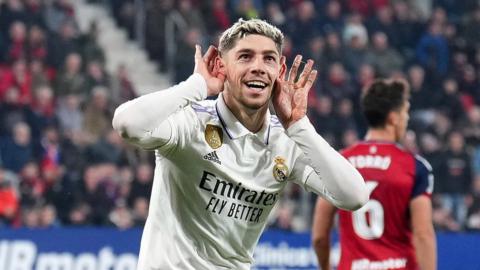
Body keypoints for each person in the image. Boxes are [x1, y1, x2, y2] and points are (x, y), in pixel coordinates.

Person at [112, 18, 368, 270]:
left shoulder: (286, 140)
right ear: (222, 67)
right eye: (245, 56)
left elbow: (354, 196)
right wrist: (197, 85)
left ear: (278, 72)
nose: (258, 66)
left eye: (268, 58)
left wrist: (299, 127)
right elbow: (126, 123)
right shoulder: (191, 121)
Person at [312, 79, 436, 270]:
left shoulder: (339, 162)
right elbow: (423, 234)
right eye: (405, 112)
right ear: (393, 118)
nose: (407, 119)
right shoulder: (414, 166)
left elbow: (320, 236)